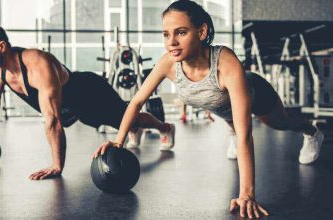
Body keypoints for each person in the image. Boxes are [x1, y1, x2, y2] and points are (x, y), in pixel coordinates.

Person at [93, 0, 324, 218]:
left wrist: (247, 195)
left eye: (180, 32)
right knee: (229, 117)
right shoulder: (168, 63)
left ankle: (311, 131)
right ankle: (231, 130)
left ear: (201, 32)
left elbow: (246, 136)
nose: (171, 42)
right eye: (166, 34)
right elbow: (135, 102)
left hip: (256, 94)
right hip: (223, 109)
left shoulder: (226, 63)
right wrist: (118, 141)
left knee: (279, 123)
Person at [0, 22, 175, 180]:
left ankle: (164, 127)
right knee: (125, 123)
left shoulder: (37, 64)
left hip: (89, 93)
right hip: (70, 107)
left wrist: (57, 166)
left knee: (131, 119)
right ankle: (132, 129)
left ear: (1, 46)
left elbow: (52, 120)